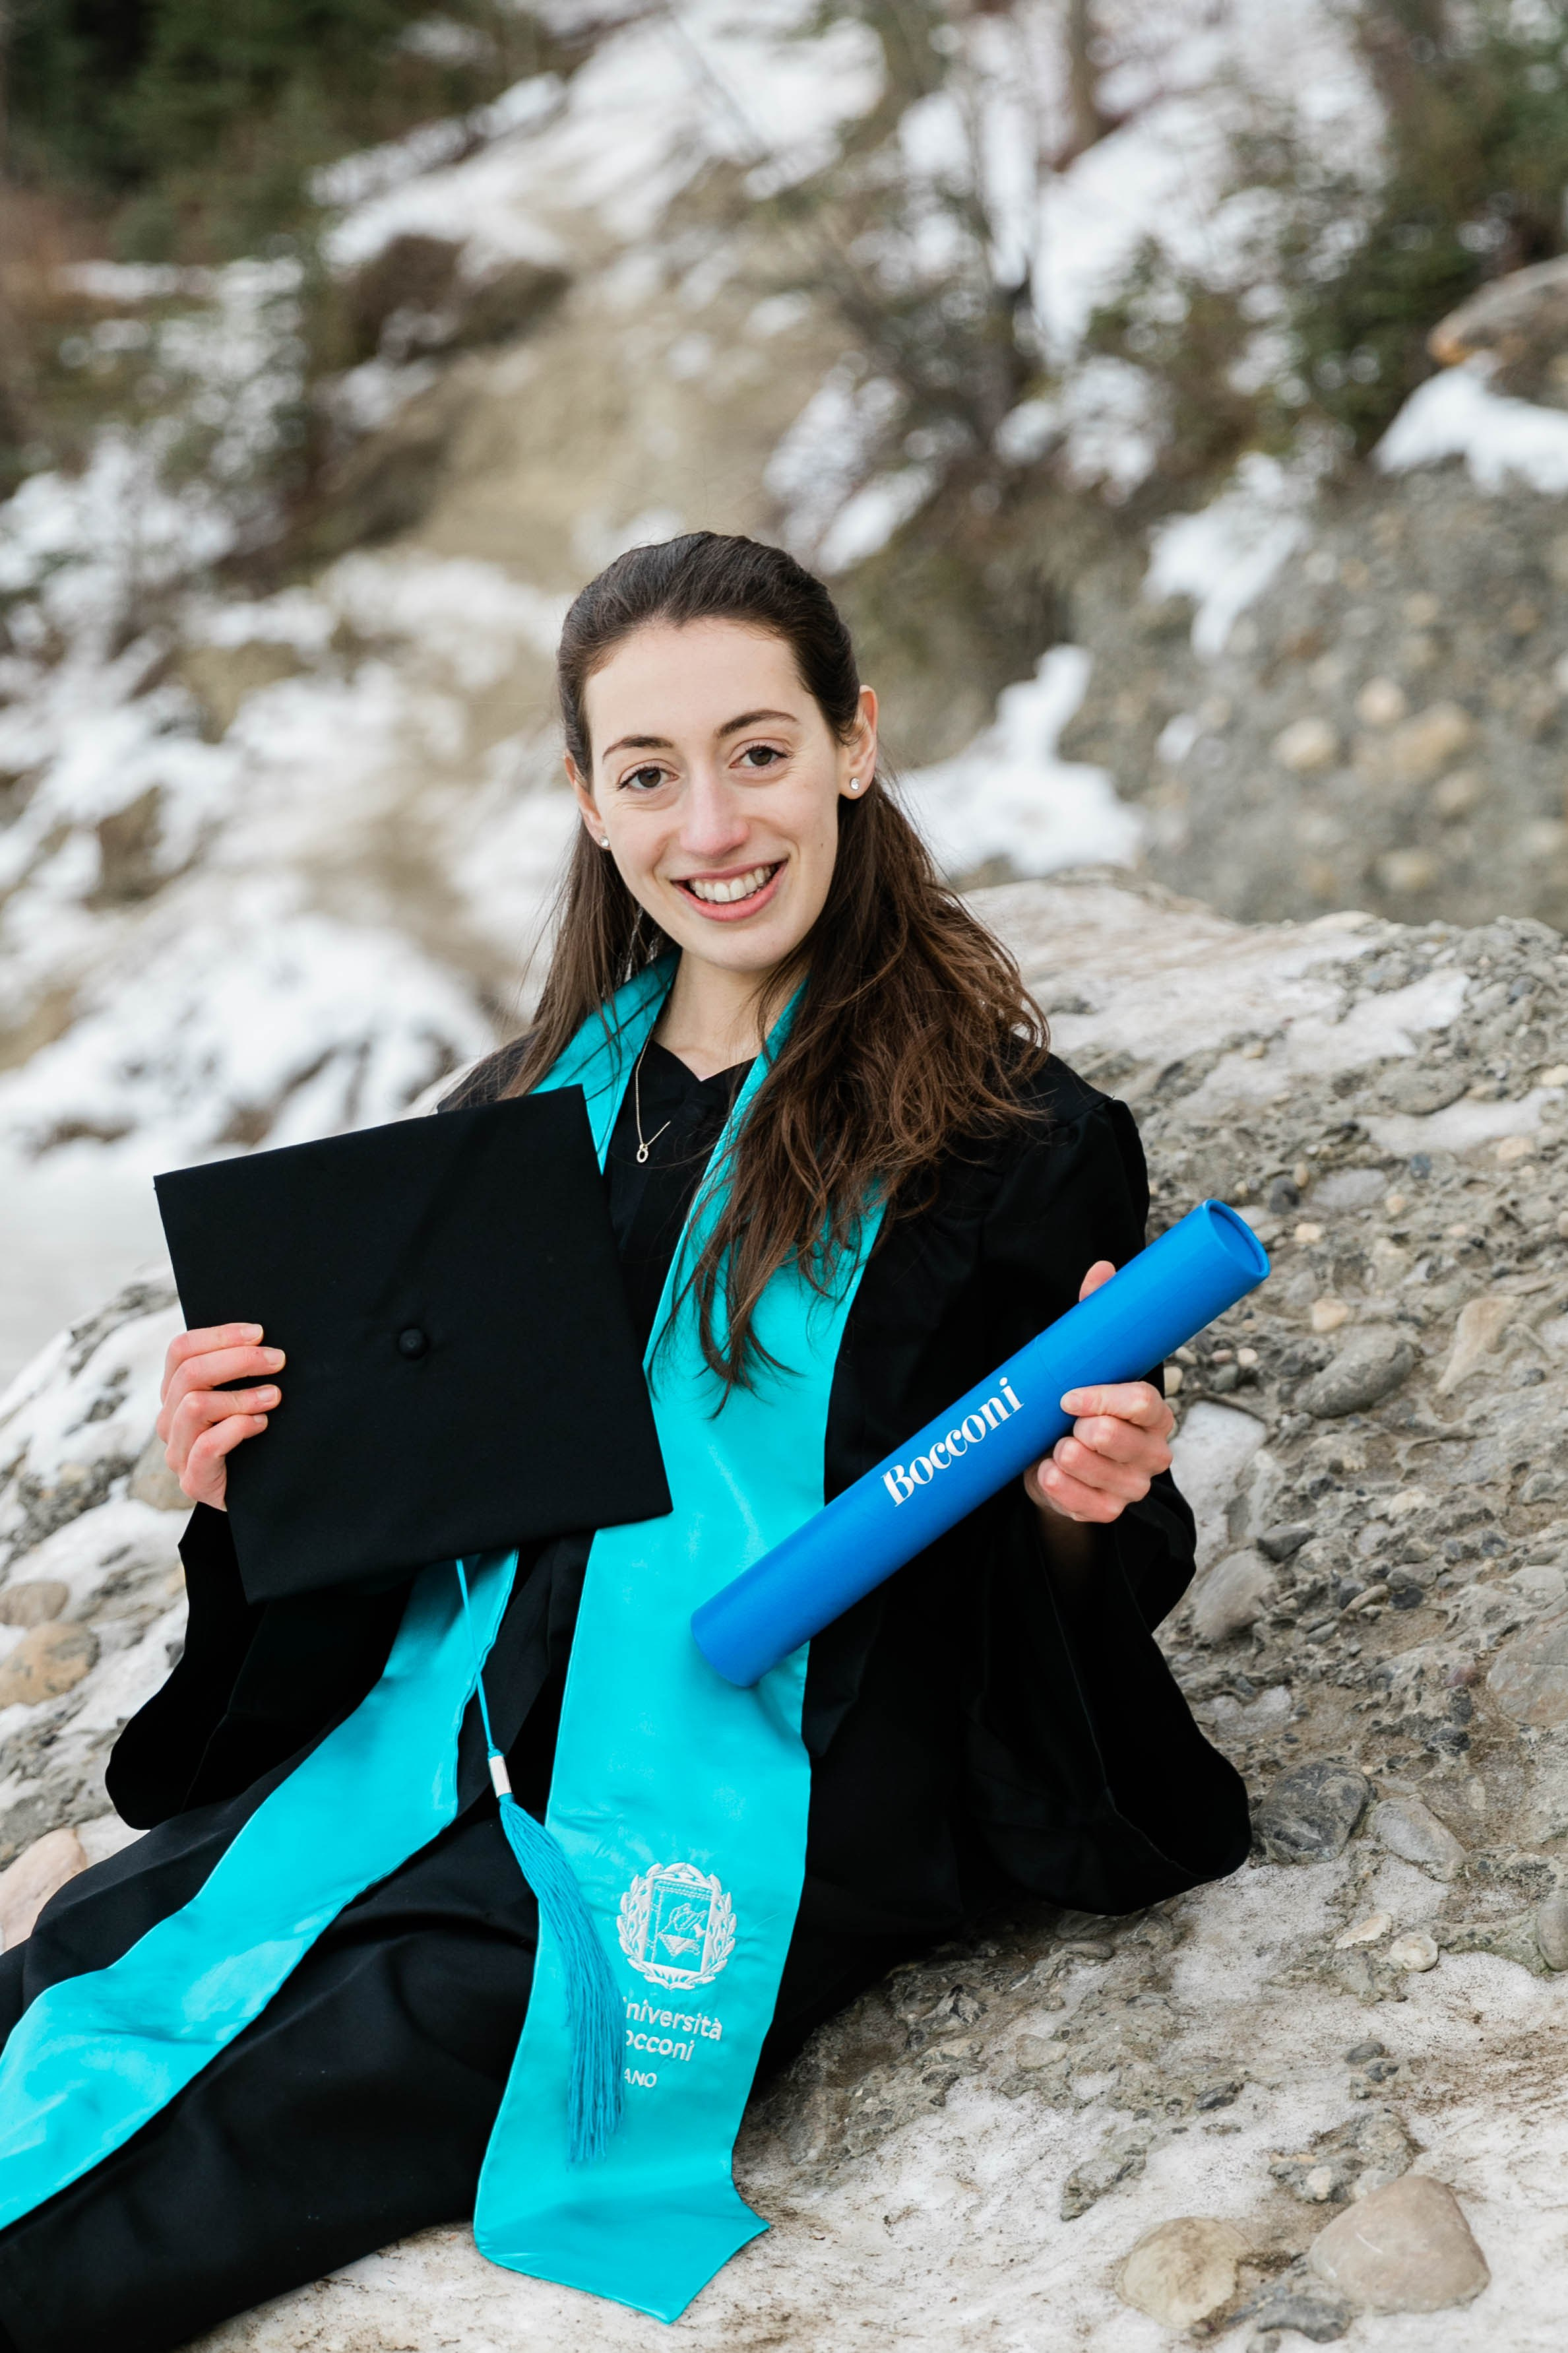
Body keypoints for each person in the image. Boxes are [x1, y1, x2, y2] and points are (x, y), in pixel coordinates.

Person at [0, 533, 1249, 2351]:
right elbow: (385, 1537)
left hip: (744, 1798)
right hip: (438, 1757)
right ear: (587, 802)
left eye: (756, 751)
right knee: (90, 1976)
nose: (711, 826)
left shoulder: (1013, 1145)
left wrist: (1082, 1506)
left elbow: (1032, 1569)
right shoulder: (504, 1125)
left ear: (852, 744)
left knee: (265, 2113)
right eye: (647, 774)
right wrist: (242, 1480)